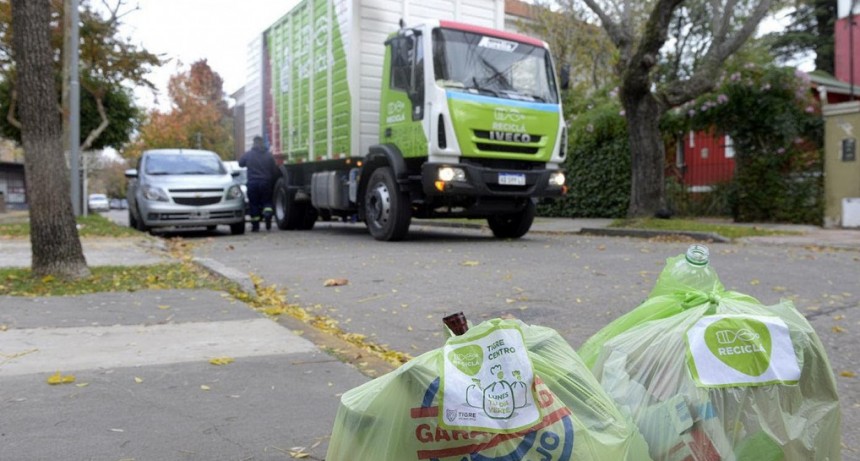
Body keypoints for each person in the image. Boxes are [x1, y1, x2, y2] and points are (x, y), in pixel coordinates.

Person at [239, 136, 280, 232]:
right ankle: (268, 218)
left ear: (254, 143)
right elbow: (274, 170)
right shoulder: (269, 155)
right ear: (262, 143)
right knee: (267, 202)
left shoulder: (249, 154)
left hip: (252, 183)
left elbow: (240, 163)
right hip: (266, 183)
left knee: (254, 204)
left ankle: (255, 226)